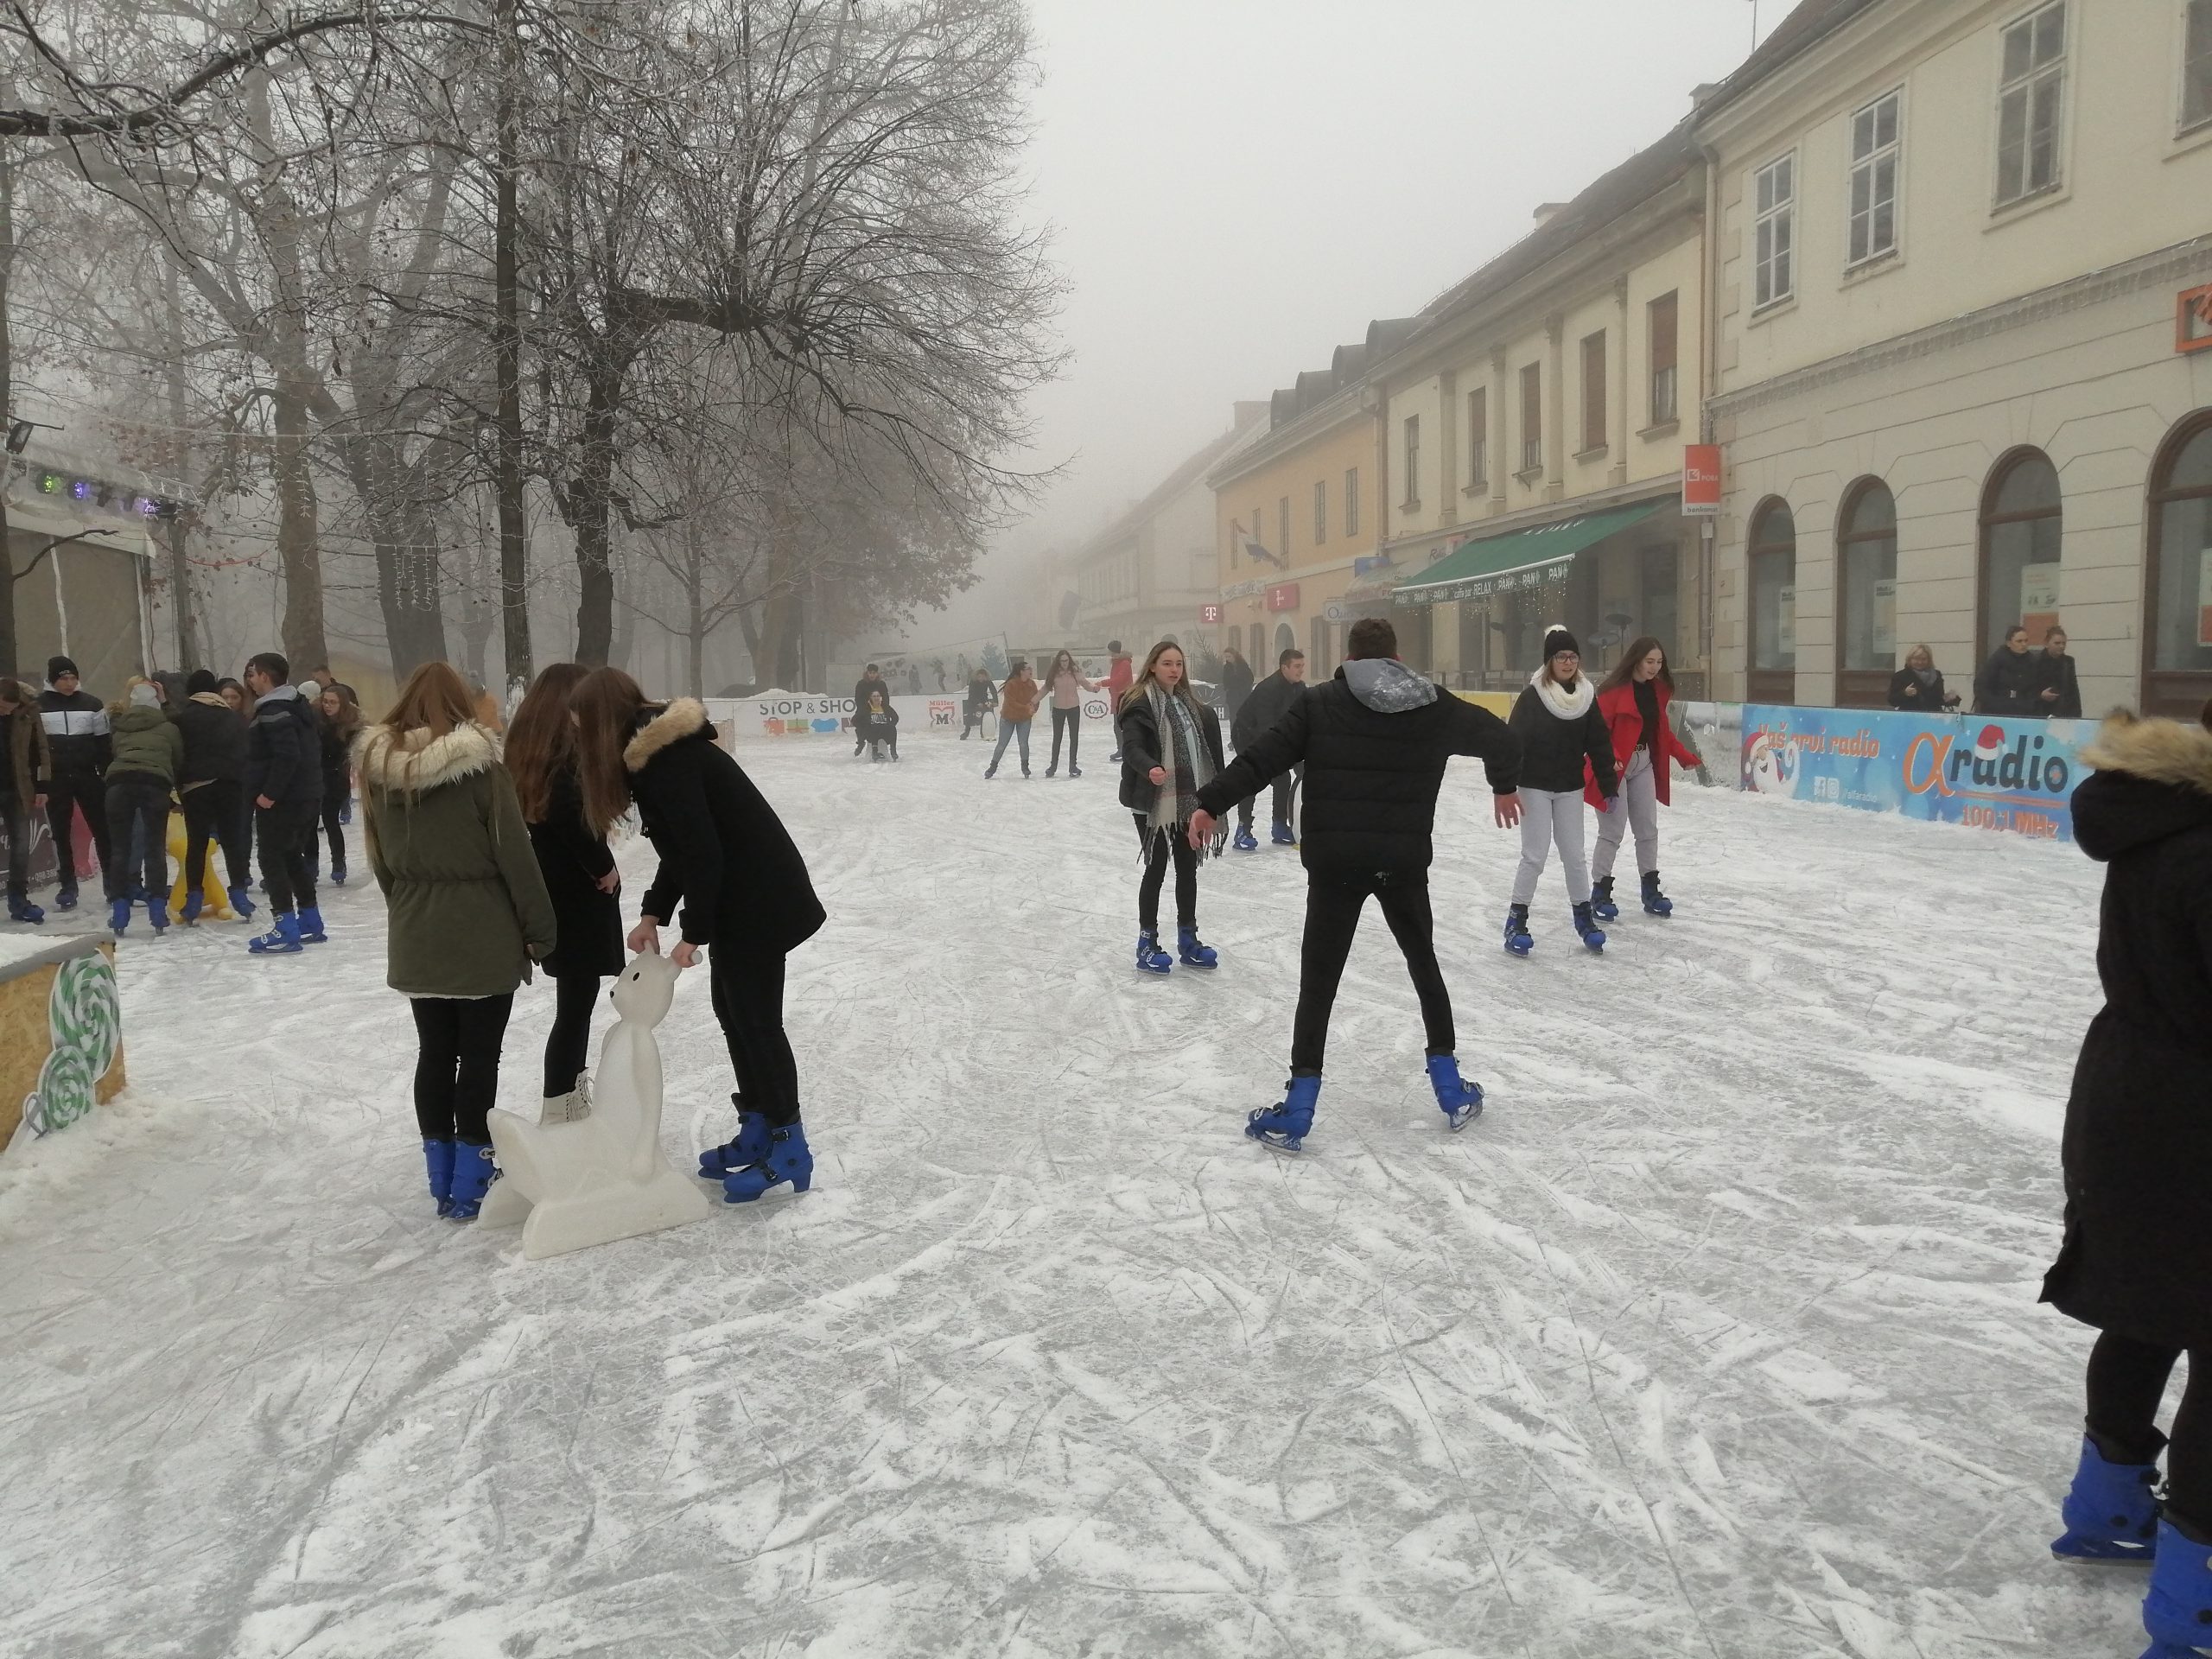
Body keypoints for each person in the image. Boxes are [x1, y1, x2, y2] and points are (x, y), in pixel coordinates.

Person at [1187, 615, 1522, 1151]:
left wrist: (1210, 803)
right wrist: (1503, 786)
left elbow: (1263, 756)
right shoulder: (1432, 704)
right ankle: (1450, 1087)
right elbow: (1501, 737)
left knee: (1318, 982)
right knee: (1423, 965)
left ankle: (1298, 1109)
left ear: (1350, 657)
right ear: (1395, 656)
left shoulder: (1321, 703)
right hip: (1401, 861)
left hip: (1336, 863)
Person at [2037, 702, 2212, 1656]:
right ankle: (2194, 1606)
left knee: (2145, 1310)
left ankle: (2107, 1506)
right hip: (2194, 1116)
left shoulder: (2159, 828)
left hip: (2123, 1099)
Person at [572, 669, 828, 1203]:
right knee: (733, 1013)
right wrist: (653, 914)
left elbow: (704, 852)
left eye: (581, 725)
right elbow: (682, 851)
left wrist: (694, 932)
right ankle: (759, 1125)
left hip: (760, 896)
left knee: (757, 1021)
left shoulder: (668, 761)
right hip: (742, 895)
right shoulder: (653, 758)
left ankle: (789, 1146)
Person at [359, 661, 556, 1220]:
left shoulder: (379, 775)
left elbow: (381, 862)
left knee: (436, 1052)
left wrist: (408, 909)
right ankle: (473, 1175)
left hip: (417, 927)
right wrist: (540, 930)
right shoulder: (480, 771)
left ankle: (440, 1173)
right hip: (482, 927)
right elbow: (515, 857)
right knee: (480, 1055)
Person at [505, 663, 622, 1121]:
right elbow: (572, 815)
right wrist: (604, 866)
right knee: (576, 1004)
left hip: (549, 880)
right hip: (576, 887)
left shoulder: (526, 748)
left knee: (574, 1001)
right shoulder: (563, 754)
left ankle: (567, 1092)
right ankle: (563, 1099)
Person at [1116, 641, 1226, 974]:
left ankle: (1188, 939)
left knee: (1187, 868)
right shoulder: (1138, 705)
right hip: (1152, 800)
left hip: (1189, 800)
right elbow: (1132, 747)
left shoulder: (1195, 708)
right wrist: (1149, 767)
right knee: (1157, 867)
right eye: (1167, 663)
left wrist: (1217, 798)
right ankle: (1146, 941)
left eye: (1179, 663)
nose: (1174, 669)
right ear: (1152, 666)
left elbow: (1211, 756)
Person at [1505, 627, 1618, 955]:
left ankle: (1583, 918)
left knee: (1574, 855)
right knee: (1535, 855)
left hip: (1570, 786)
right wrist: (1506, 785)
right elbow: (1513, 743)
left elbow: (1598, 743)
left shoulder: (1585, 696)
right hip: (1533, 785)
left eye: (1572, 656)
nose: (1568, 662)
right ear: (1549, 660)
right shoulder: (1533, 697)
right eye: (1561, 656)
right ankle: (1516, 920)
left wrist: (1608, 785)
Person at [1585, 637, 1703, 921]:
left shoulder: (1657, 691)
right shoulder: (1612, 693)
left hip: (1643, 762)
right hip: (1613, 768)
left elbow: (1661, 731)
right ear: (1636, 660)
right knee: (1612, 831)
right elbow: (1596, 732)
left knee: (1648, 828)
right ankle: (1600, 893)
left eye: (1659, 662)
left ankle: (1650, 890)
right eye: (1650, 661)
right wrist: (1609, 756)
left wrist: (1683, 754)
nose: (1655, 667)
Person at [241, 651, 326, 954]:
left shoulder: (274, 708)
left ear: (265, 676)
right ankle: (310, 919)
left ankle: (285, 926)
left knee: (271, 858)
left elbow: (287, 754)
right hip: (306, 794)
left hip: (283, 799)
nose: (249, 681)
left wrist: (269, 793)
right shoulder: (297, 705)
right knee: (291, 856)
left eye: (252, 674)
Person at [101, 678, 183, 936]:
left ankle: (120, 911)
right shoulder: (168, 728)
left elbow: (114, 753)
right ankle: (157, 909)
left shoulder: (120, 727)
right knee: (154, 847)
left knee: (120, 849)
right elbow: (178, 758)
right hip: (154, 784)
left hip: (118, 785)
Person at [172, 668, 254, 922]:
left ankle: (194, 896)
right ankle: (239, 891)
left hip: (196, 787)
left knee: (197, 842)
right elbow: (245, 751)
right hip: (230, 784)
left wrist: (178, 784)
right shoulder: (232, 718)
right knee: (232, 840)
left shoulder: (182, 718)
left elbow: (177, 754)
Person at [35, 655, 111, 912]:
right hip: (56, 778)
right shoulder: (39, 706)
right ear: (52, 680)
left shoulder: (92, 704)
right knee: (60, 832)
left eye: (72, 678)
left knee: (101, 829)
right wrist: (40, 782)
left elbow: (104, 744)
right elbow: (34, 747)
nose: (69, 683)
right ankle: (68, 884)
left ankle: (112, 884)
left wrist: (106, 773)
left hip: (87, 776)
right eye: (63, 678)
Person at [1229, 647, 1307, 851]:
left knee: (1282, 778)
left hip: (1274, 734)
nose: (1301, 671)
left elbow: (1303, 720)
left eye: (1302, 666)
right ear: (1284, 668)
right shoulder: (1268, 689)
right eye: (1297, 667)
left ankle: (1279, 826)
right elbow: (1266, 728)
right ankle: (1242, 830)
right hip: (1247, 735)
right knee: (1254, 777)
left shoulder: (1299, 688)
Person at [0, 678, 51, 925]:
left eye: (9, 708)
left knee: (21, 845)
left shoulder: (29, 713)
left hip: (17, 788)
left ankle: (19, 900)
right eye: (2, 708)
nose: (6, 712)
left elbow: (40, 750)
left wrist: (42, 785)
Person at [312, 683, 362, 885]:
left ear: (342, 705)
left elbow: (356, 750)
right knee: (310, 823)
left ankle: (338, 862)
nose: (328, 706)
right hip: (315, 775)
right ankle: (311, 864)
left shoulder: (350, 726)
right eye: (325, 701)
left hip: (336, 777)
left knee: (331, 820)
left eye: (333, 702)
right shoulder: (315, 720)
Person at [1040, 649, 1099, 779]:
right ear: (1058, 661)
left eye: (1066, 660)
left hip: (1073, 708)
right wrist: (1033, 700)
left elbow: (1085, 683)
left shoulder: (1075, 671)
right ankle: (1053, 766)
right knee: (1057, 738)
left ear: (1069, 660)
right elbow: (1045, 688)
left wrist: (1094, 689)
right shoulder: (1054, 673)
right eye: (1062, 661)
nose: (1064, 663)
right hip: (1058, 708)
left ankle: (1073, 765)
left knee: (1074, 737)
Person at [986, 658, 1039, 779]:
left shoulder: (1032, 684)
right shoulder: (1011, 684)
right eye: (1028, 669)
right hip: (1008, 718)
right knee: (1002, 744)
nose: (1031, 671)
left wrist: (1034, 708)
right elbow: (1011, 702)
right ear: (1021, 672)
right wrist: (1027, 709)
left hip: (1024, 719)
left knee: (1023, 743)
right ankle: (992, 767)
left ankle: (1025, 767)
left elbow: (1036, 699)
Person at [1974, 624, 2040, 716]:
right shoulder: (1997, 660)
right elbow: (1981, 686)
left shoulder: (2031, 662)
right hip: (1997, 713)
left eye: (2026, 641)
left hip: (2023, 713)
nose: (2024, 644)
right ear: (2009, 643)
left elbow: (2033, 688)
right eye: (2019, 641)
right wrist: (1996, 705)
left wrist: (2029, 704)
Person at [1887, 644, 1961, 715]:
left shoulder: (1936, 675)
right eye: (1916, 659)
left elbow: (1938, 700)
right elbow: (1892, 701)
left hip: (1933, 717)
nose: (1920, 662)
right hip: (1910, 718)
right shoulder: (1900, 676)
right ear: (1909, 659)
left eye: (1924, 659)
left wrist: (1950, 699)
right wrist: (1905, 693)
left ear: (1929, 660)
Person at [2037, 626, 2083, 720]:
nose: (2062, 646)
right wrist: (2040, 695)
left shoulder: (2068, 662)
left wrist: (2077, 714)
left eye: (2064, 643)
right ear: (2046, 644)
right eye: (2057, 643)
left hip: (2065, 713)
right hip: (2040, 713)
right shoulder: (2035, 661)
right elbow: (2026, 690)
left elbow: (2073, 690)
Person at [851, 664, 892, 757]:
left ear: (877, 674)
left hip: (879, 710)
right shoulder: (861, 684)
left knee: (886, 724)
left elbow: (886, 699)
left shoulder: (881, 684)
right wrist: (866, 710)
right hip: (864, 710)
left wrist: (884, 711)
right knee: (857, 721)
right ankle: (861, 742)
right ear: (867, 673)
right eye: (870, 673)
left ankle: (883, 746)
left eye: (874, 673)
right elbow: (858, 699)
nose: (872, 675)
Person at [1105, 640, 1133, 763]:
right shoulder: (1116, 663)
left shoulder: (1124, 663)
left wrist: (1103, 683)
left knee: (1123, 726)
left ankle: (1125, 750)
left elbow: (1119, 680)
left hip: (1124, 699)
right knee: (1117, 726)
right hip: (1117, 698)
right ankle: (1121, 749)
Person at [855, 690, 900, 761]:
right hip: (870, 733)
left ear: (880, 697)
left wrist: (890, 725)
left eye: (878, 696)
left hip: (884, 731)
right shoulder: (866, 708)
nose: (876, 698)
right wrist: (864, 727)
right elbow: (855, 720)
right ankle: (874, 750)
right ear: (871, 698)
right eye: (874, 696)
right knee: (874, 726)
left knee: (892, 728)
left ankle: (893, 751)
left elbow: (895, 718)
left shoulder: (885, 706)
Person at [1219, 646, 1255, 728]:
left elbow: (1250, 679)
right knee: (1233, 718)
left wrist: (1242, 686)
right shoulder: (1227, 667)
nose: (1227, 659)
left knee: (1243, 718)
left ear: (1234, 656)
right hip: (1232, 697)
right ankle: (1233, 737)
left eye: (1229, 656)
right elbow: (1226, 681)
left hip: (1243, 696)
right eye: (1226, 657)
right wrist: (1228, 687)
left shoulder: (1243, 665)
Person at [960, 666, 997, 741]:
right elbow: (972, 693)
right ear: (976, 677)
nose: (981, 678)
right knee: (969, 717)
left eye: (983, 677)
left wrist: (995, 701)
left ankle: (983, 733)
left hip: (984, 699)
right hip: (972, 700)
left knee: (985, 715)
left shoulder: (988, 681)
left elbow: (993, 691)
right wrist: (977, 703)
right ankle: (966, 732)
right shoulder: (973, 682)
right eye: (979, 677)